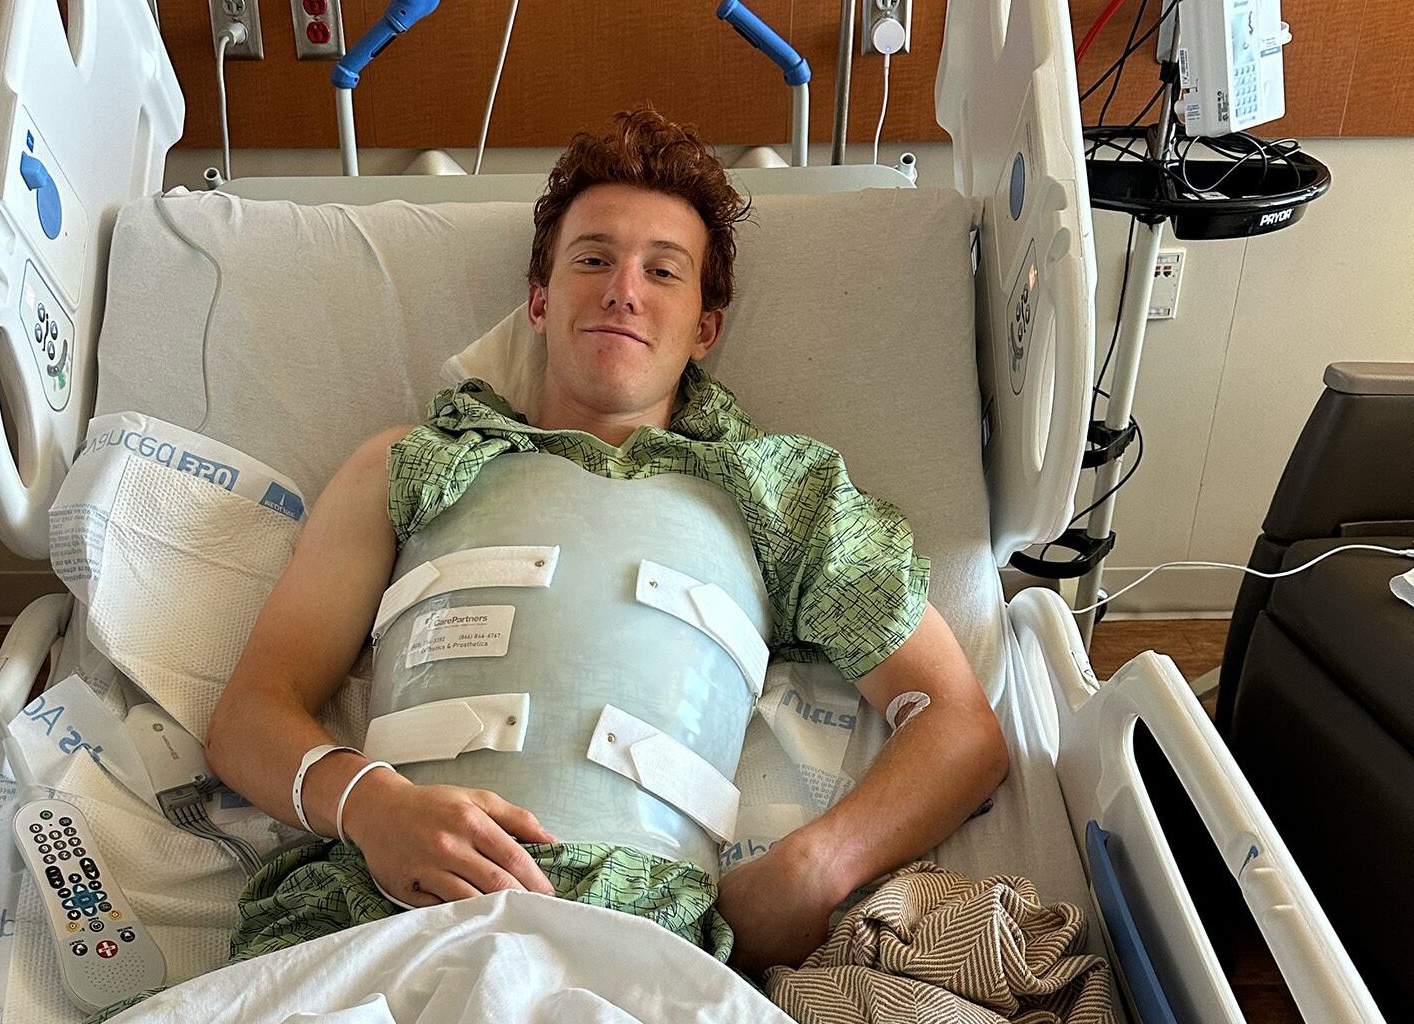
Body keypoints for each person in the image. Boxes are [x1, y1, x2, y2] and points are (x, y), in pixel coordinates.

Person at [203, 107, 1008, 976]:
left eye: (663, 271)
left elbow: (959, 728)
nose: (624, 289)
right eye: (593, 259)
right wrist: (369, 805)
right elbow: (251, 714)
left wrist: (817, 867)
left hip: (643, 947)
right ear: (540, 302)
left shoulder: (787, 496)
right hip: (383, 921)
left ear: (705, 329)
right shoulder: (408, 464)